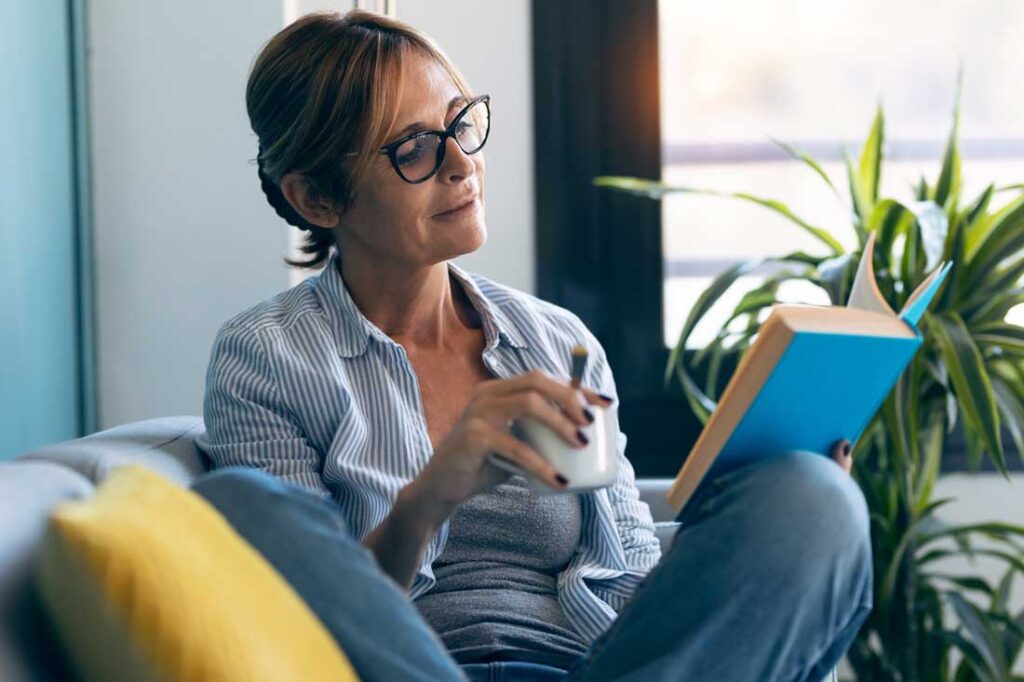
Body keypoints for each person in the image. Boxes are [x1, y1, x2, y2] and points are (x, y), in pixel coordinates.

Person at [192, 9, 871, 681]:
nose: (462, 164)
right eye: (415, 149)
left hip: (592, 666)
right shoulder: (265, 358)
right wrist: (430, 496)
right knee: (244, 505)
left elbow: (630, 569)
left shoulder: (555, 340)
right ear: (316, 198)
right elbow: (298, 624)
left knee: (814, 496)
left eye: (461, 124)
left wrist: (772, 532)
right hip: (419, 668)